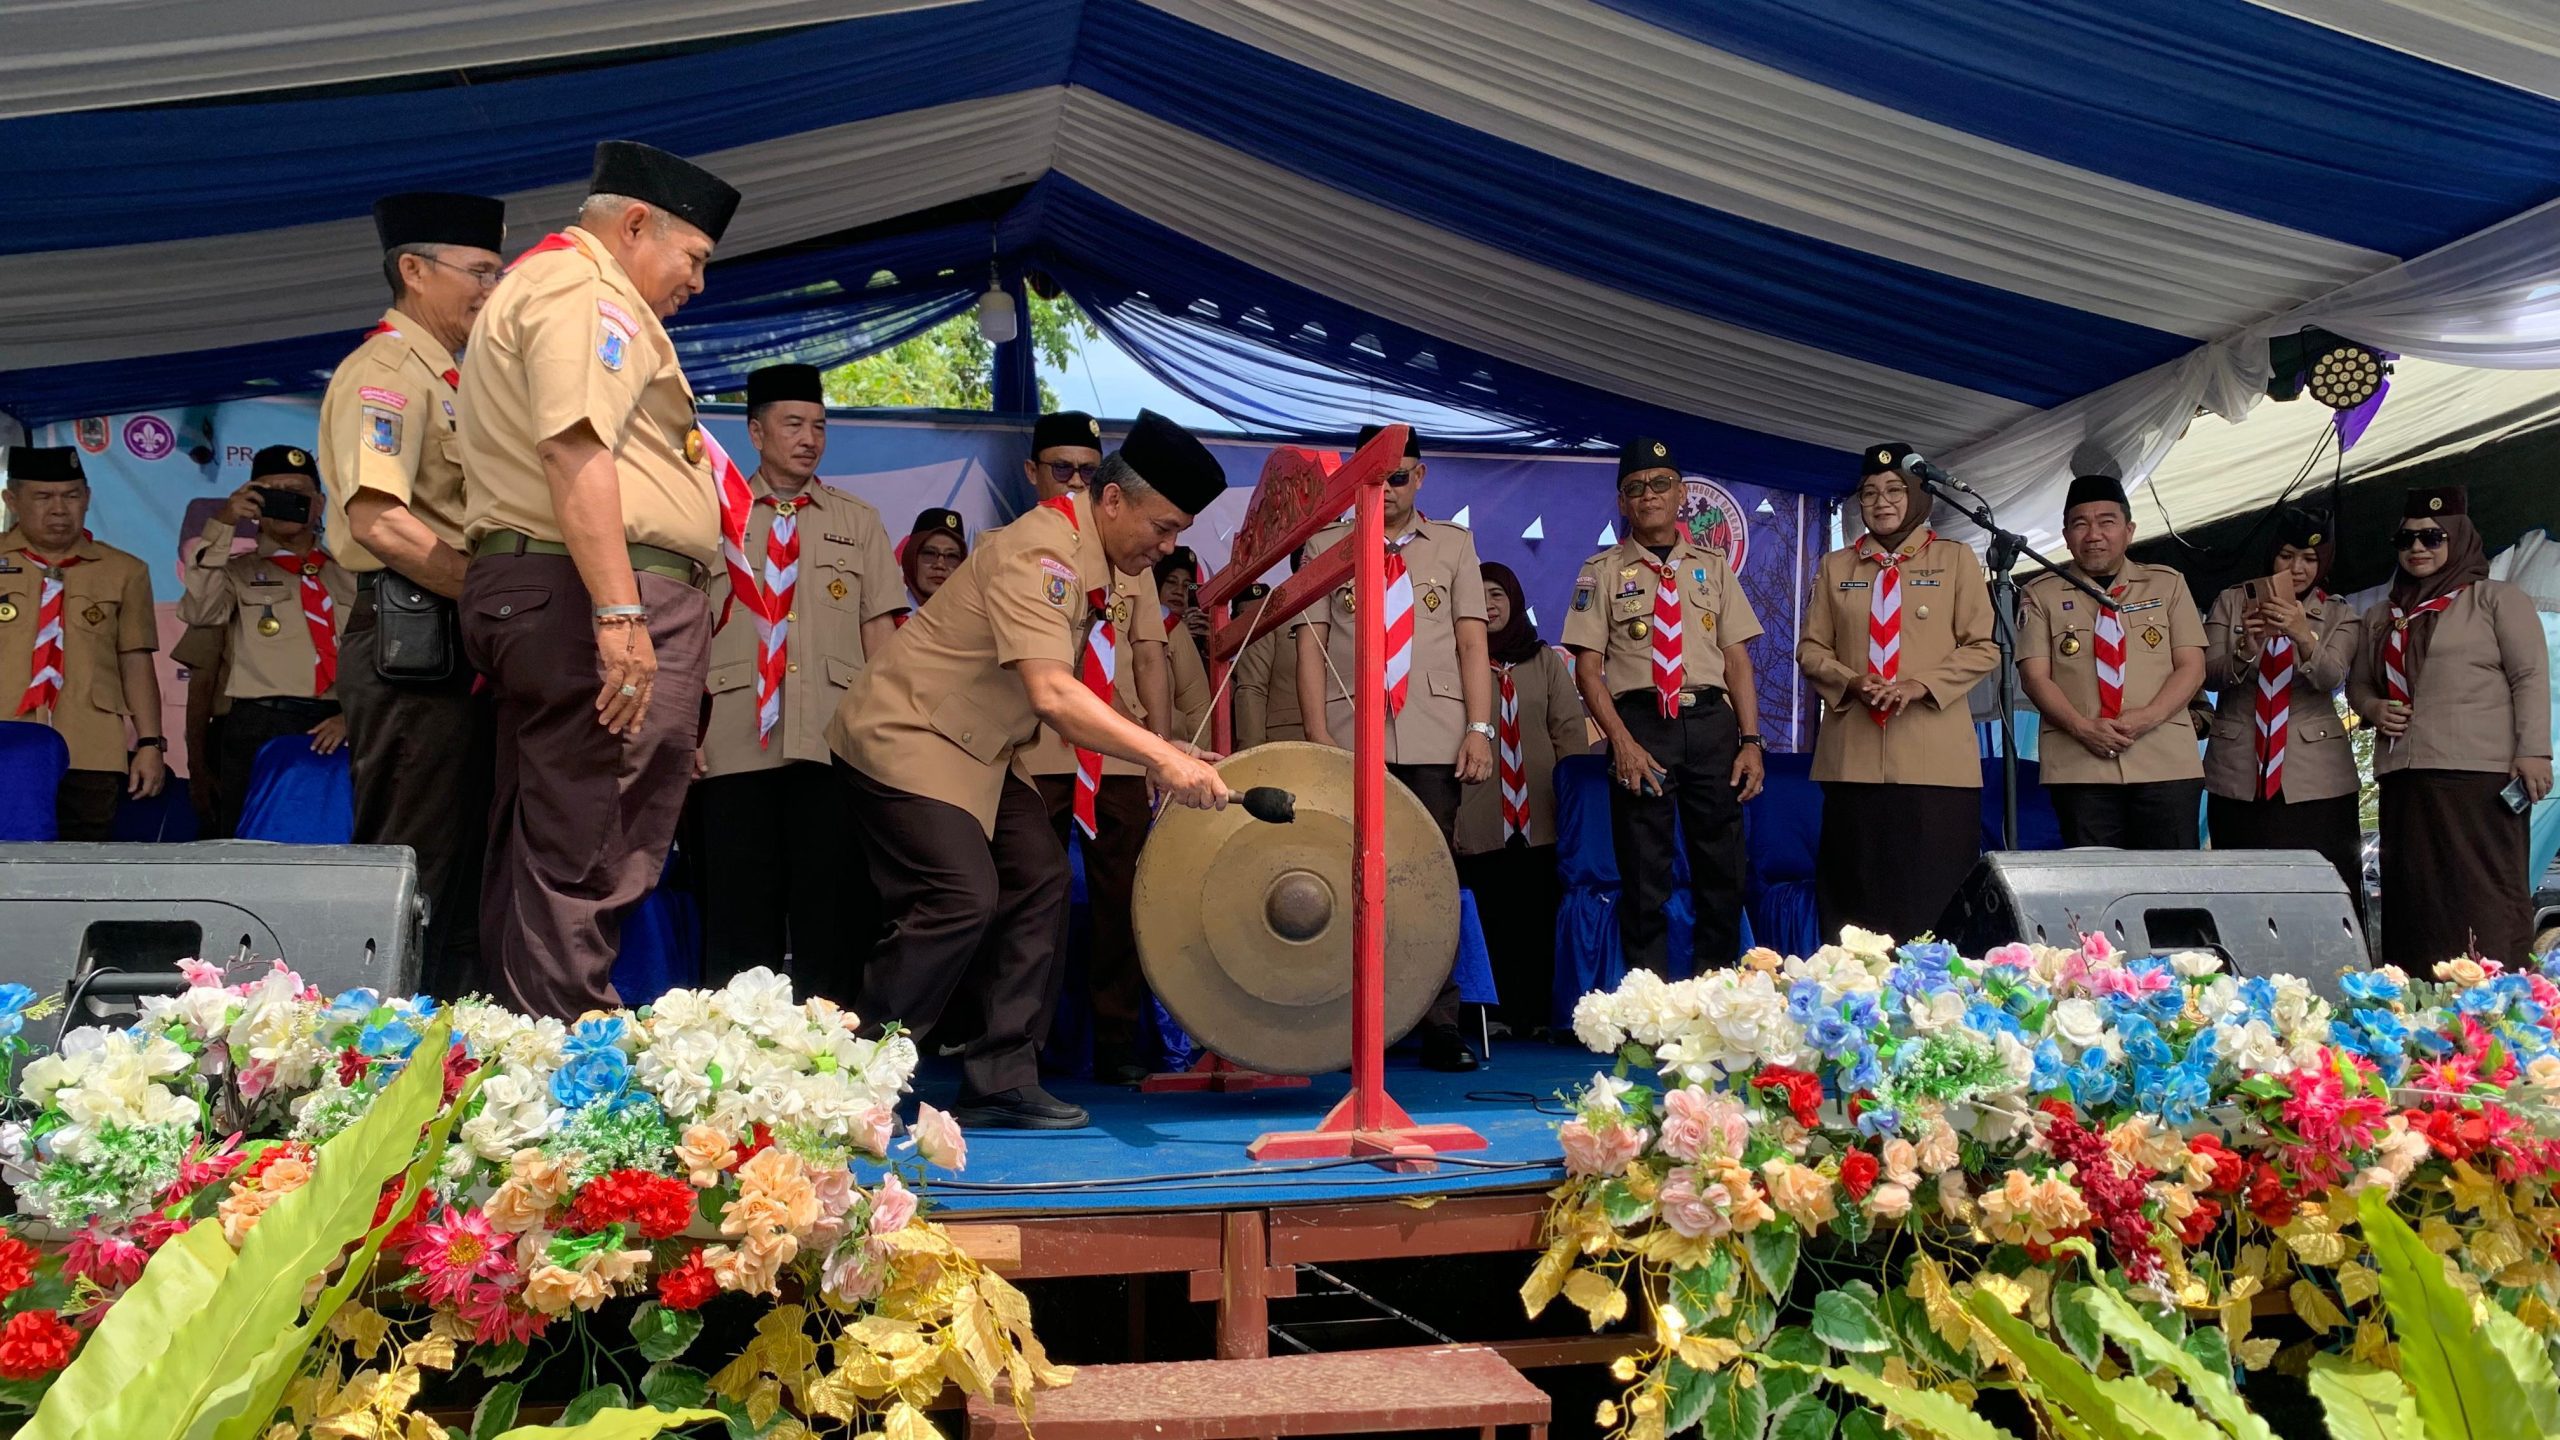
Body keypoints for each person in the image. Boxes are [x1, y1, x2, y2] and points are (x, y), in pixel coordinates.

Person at [830, 409, 1232, 1129]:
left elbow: (1073, 689)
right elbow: (1052, 695)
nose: (1169, 547)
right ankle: (857, 1082)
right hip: (905, 733)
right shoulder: (1042, 553)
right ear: (1114, 500)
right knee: (959, 896)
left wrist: (1168, 746)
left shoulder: (1092, 556)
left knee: (1042, 879)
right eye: (1163, 527)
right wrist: (1162, 757)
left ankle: (1001, 1080)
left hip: (979, 748)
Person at [456, 139, 740, 1019]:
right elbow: (574, 446)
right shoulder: (587, 291)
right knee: (594, 826)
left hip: (565, 588)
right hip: (592, 595)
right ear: (637, 224)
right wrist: (621, 612)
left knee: (556, 826)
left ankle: (525, 1040)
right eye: (694, 257)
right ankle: (565, 1045)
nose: (698, 282)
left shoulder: (561, 286)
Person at [318, 190, 507, 994]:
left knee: (469, 858)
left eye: (498, 273)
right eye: (479, 272)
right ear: (414, 270)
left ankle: (456, 1038)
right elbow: (379, 521)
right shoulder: (386, 375)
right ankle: (387, 1039)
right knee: (414, 859)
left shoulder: (458, 378)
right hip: (413, 637)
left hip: (458, 638)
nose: (492, 290)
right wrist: (491, 594)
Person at [694, 363, 901, 993]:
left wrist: (886, 743)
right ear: (756, 433)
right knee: (736, 921)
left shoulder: (858, 521)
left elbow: (882, 641)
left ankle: (828, 1047)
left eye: (819, 426)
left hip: (831, 745)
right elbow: (685, 630)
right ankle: (732, 1049)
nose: (809, 439)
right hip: (730, 744)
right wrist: (682, 731)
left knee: (832, 921)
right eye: (793, 424)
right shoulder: (714, 514)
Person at [1297, 423, 1491, 1070]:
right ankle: (1348, 1022)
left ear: (1421, 476)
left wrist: (1480, 728)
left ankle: (1439, 1024)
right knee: (1346, 879)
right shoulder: (1326, 544)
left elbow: (1472, 643)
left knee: (1431, 879)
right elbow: (1310, 646)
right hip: (1351, 735)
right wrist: (1318, 740)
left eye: (1399, 476)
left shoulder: (1454, 545)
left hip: (1435, 732)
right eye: (1376, 479)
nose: (1390, 489)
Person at [1015, 411, 1176, 1086]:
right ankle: (1025, 1047)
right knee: (1031, 901)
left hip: (1116, 752)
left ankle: (1116, 1042)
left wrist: (1159, 751)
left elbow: (1149, 656)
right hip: (1037, 749)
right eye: (1063, 469)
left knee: (1122, 901)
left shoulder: (1133, 558)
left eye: (1088, 470)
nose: (1075, 481)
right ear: (1033, 472)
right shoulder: (1020, 549)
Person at [1566, 437, 1765, 974]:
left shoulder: (1713, 566)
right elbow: (1588, 670)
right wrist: (1622, 744)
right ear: (1622, 503)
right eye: (1635, 488)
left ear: (1680, 495)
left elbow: (1737, 660)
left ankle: (1717, 989)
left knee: (1723, 868)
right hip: (1641, 726)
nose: (1648, 495)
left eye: (1660, 484)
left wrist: (1750, 741)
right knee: (1643, 872)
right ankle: (1647, 999)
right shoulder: (1601, 570)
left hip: (1711, 723)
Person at [1796, 444, 1997, 941]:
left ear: (1918, 496)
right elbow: (1811, 649)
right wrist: (1851, 681)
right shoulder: (1837, 566)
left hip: (1935, 763)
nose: (1881, 502)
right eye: (1869, 493)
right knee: (1854, 906)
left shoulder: (1955, 559)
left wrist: (1919, 685)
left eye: (1894, 490)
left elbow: (1983, 648)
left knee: (1932, 901)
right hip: (1854, 759)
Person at [2348, 486, 2552, 966]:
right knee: (2414, 899)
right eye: (2406, 539)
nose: (2417, 548)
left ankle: (2496, 998)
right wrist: (2373, 708)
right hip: (2403, 776)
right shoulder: (2382, 615)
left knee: (2482, 894)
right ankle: (2415, 999)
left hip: (2478, 776)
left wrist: (2534, 752)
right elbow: (2358, 685)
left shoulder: (2496, 599)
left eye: (2433, 537)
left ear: (2459, 539)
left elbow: (2529, 675)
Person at [2017, 474, 2206, 849]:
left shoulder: (2167, 584)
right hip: (2080, 764)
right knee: (2095, 877)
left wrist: (2147, 717)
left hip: (2164, 760)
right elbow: (2034, 677)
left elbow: (2192, 666)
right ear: (2066, 535)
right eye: (2080, 524)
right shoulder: (2040, 594)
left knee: (2173, 877)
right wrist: (2082, 728)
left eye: (2107, 522)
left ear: (2129, 530)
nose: (2094, 535)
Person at [177, 448, 353, 839]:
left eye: (297, 493)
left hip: (341, 722)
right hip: (261, 723)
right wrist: (224, 522)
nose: (285, 501)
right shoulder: (234, 573)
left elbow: (376, 659)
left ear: (319, 503)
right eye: (271, 492)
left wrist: (354, 718)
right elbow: (200, 611)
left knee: (340, 840)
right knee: (251, 843)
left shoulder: (353, 575)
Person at [0, 445, 164, 839]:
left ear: (87, 498)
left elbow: (135, 661)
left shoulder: (125, 570)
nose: (59, 509)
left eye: (71, 496)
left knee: (83, 856)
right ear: (12, 500)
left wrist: (149, 743)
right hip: (6, 739)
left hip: (90, 745)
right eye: (43, 496)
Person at [2201, 507, 2363, 896]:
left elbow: (2331, 678)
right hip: (2239, 771)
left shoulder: (2339, 613)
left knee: (2321, 888)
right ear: (2271, 555)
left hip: (2316, 778)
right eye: (2286, 556)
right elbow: (2207, 674)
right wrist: (2246, 647)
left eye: (2310, 559)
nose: (2297, 568)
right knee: (2244, 884)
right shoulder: (2231, 601)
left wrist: (2302, 634)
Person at [1454, 562, 1587, 1036]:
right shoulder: (1456, 658)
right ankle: (1489, 1015)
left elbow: (1568, 730)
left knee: (1536, 912)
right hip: (1479, 810)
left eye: (1498, 595)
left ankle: (1533, 1015)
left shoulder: (1543, 660)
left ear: (1513, 601)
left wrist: (1573, 801)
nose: (1488, 605)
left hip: (1540, 815)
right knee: (1488, 912)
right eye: (1479, 595)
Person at [1231, 554, 1307, 747]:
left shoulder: (1358, 611)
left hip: (1351, 740)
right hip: (1287, 745)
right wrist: (1252, 754)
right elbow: (1252, 689)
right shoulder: (1272, 613)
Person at [1154, 546, 1213, 743]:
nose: (1179, 591)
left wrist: (1209, 649)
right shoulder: (1143, 621)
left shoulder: (1201, 635)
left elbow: (1201, 707)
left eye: (1187, 586)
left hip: (1183, 745)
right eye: (1171, 582)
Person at [898, 507, 968, 618]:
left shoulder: (973, 623)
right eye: (929, 554)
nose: (940, 565)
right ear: (911, 559)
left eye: (951, 557)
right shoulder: (884, 619)